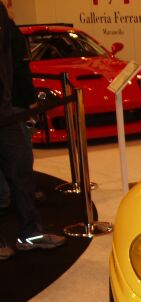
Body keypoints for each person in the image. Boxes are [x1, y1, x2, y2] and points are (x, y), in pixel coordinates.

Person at [0, 0, 64, 260]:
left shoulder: (2, 16)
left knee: (21, 171)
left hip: (7, 109)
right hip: (8, 107)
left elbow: (9, 61)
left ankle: (31, 234)